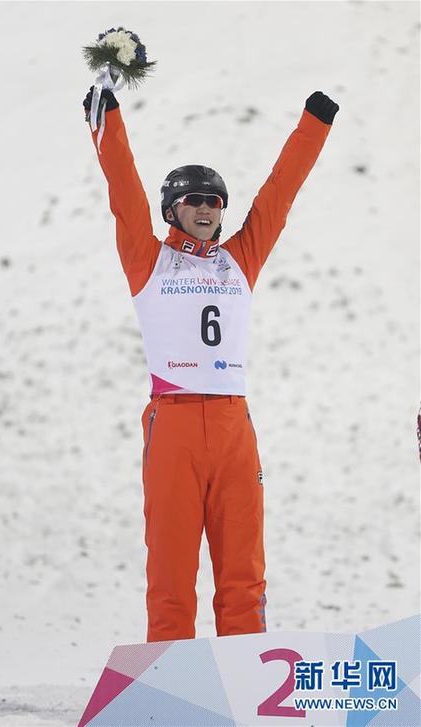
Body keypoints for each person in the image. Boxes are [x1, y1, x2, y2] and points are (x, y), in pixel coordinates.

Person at [83, 86, 339, 643]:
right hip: (172, 423)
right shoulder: (148, 259)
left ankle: (244, 690)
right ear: (171, 209)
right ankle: (170, 697)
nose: (206, 207)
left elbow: (280, 193)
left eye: (215, 200)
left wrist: (314, 125)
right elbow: (123, 190)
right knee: (171, 579)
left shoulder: (241, 259)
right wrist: (106, 118)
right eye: (194, 199)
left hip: (232, 426)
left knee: (243, 577)